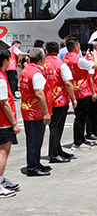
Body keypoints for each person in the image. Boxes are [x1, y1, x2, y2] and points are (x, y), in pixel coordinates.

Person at [19, 48, 51, 176]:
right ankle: (32, 167)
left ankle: (36, 163)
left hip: (27, 109)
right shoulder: (36, 73)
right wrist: (46, 113)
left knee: (34, 140)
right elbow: (39, 94)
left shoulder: (25, 70)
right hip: (35, 111)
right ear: (42, 59)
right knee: (35, 141)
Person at [63, 37, 97, 151]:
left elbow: (80, 64)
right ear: (75, 47)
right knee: (80, 117)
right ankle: (78, 141)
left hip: (73, 90)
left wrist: (86, 57)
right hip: (82, 91)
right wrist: (95, 56)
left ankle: (80, 139)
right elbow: (95, 65)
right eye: (78, 46)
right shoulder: (78, 59)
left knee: (80, 116)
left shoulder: (65, 58)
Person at [44, 42, 77, 163]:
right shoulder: (61, 64)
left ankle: (57, 150)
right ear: (58, 51)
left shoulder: (41, 64)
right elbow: (68, 83)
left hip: (46, 101)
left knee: (54, 127)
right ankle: (54, 155)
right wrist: (73, 98)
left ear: (46, 51)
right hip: (59, 100)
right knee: (57, 128)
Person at [0, 47, 20, 197]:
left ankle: (2, 179)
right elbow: (4, 103)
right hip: (3, 122)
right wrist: (14, 123)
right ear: (4, 60)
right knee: (3, 153)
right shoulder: (1, 79)